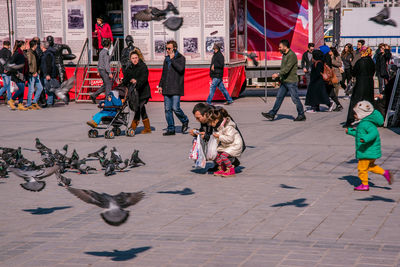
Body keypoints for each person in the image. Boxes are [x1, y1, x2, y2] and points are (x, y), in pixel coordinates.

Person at [345, 101, 393, 191]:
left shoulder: (366, 124)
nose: (354, 115)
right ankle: (385, 173)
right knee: (370, 166)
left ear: (362, 114)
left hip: (366, 151)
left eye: (355, 113)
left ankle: (364, 184)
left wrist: (365, 139)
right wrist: (350, 132)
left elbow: (374, 133)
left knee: (361, 168)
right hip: (369, 151)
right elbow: (359, 134)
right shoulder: (365, 123)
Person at [261, 39, 306, 121]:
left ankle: (301, 115)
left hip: (291, 81)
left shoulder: (291, 55)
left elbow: (287, 69)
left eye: (280, 47)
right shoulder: (284, 54)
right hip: (284, 81)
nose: (279, 48)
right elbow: (283, 68)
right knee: (279, 97)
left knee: (295, 99)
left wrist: (278, 74)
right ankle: (272, 114)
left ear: (285, 47)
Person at [189, 103, 242, 172]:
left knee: (213, 146)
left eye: (198, 118)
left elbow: (218, 135)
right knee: (205, 144)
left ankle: (232, 161)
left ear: (205, 114)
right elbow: (206, 132)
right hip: (224, 140)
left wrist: (206, 135)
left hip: (232, 143)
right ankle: (219, 164)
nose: (197, 120)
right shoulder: (206, 118)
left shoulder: (216, 116)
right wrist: (196, 132)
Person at [158, 40, 189, 136]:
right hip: (167, 87)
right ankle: (171, 128)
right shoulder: (166, 59)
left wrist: (172, 60)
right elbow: (164, 73)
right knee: (167, 109)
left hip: (176, 87)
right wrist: (160, 85)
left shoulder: (181, 58)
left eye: (169, 48)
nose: (167, 50)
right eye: (166, 48)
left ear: (174, 48)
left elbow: (180, 69)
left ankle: (185, 120)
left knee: (176, 108)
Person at [206, 107, 243, 177]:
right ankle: (222, 168)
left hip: (235, 145)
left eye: (210, 122)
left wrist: (219, 137)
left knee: (223, 156)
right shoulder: (218, 126)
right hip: (227, 144)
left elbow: (230, 139)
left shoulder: (228, 126)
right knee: (216, 154)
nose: (210, 124)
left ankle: (230, 169)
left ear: (216, 120)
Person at [344, 47, 375, 127]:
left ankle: (350, 120)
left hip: (360, 83)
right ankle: (370, 120)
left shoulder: (360, 61)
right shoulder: (372, 62)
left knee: (355, 101)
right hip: (369, 83)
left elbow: (353, 73)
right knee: (369, 102)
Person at [123, 50, 152, 134]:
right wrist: (129, 80)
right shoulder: (129, 67)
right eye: (133, 58)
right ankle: (147, 128)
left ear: (138, 58)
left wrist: (137, 81)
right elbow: (126, 79)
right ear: (130, 59)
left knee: (139, 108)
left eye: (136, 58)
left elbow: (144, 78)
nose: (135, 60)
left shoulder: (143, 66)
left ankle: (133, 127)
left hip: (143, 91)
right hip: (134, 93)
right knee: (141, 109)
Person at [320, 45, 342, 112]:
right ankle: (337, 105)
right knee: (330, 92)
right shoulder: (327, 57)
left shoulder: (325, 57)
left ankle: (331, 104)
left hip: (326, 78)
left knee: (328, 92)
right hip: (328, 78)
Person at [7, 40, 28, 111]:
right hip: (17, 74)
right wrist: (16, 72)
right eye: (25, 45)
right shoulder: (17, 53)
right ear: (22, 46)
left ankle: (20, 104)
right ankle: (11, 100)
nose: (26, 46)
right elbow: (11, 64)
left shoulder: (22, 53)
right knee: (21, 89)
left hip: (22, 74)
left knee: (23, 89)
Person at [91, 39, 113, 103]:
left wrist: (98, 70)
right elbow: (106, 63)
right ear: (109, 45)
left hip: (101, 70)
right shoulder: (106, 52)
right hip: (104, 70)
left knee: (105, 85)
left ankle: (94, 95)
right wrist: (109, 72)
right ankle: (107, 99)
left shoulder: (101, 52)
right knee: (108, 84)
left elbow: (99, 62)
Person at [26, 39, 43, 110]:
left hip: (36, 73)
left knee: (40, 88)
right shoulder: (29, 53)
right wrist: (32, 72)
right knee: (31, 89)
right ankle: (28, 104)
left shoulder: (34, 52)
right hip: (32, 74)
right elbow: (29, 64)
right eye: (36, 44)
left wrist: (37, 71)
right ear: (34, 45)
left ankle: (34, 102)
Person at [41, 41, 57, 107]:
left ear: (43, 46)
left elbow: (49, 65)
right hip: (46, 73)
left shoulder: (48, 54)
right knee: (48, 88)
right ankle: (50, 101)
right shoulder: (47, 53)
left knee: (48, 88)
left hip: (47, 74)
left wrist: (48, 74)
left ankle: (50, 103)